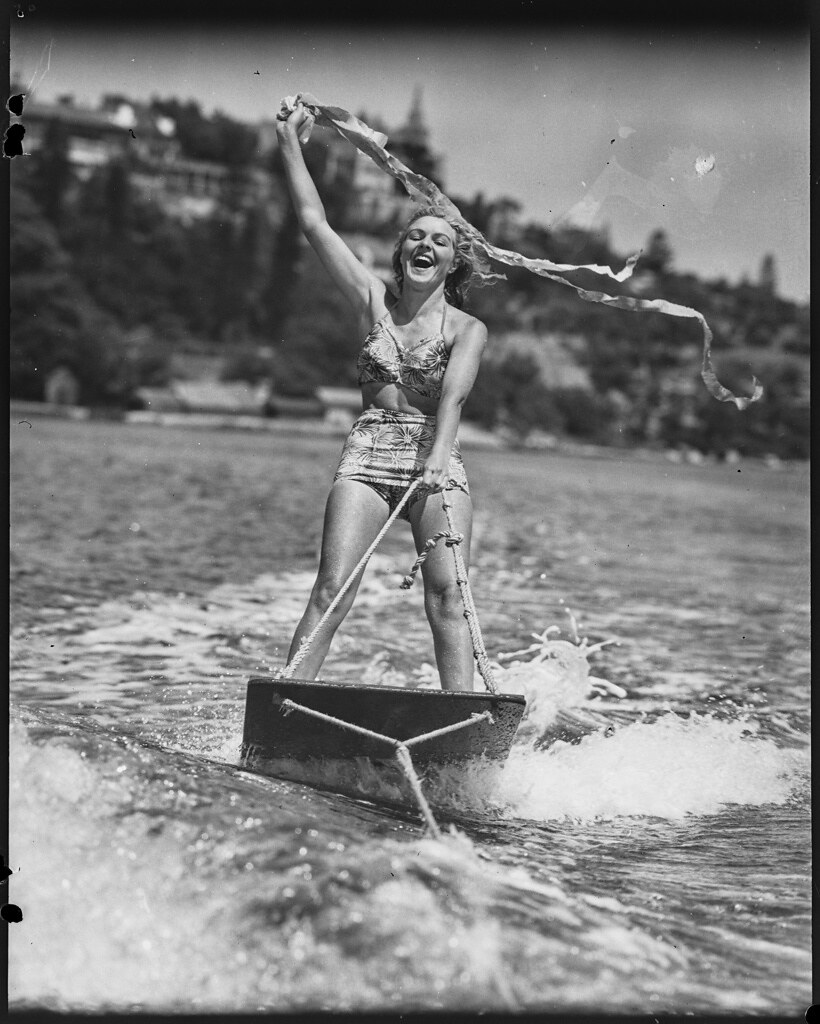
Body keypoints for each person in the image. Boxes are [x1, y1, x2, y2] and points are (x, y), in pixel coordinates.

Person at [277, 101, 489, 692]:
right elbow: (316, 226)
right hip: (368, 453)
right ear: (402, 253)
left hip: (435, 458)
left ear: (453, 261)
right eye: (415, 237)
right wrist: (291, 143)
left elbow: (453, 398)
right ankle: (288, 698)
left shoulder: (469, 330)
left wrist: (439, 458)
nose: (425, 245)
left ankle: (461, 715)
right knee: (333, 587)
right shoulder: (373, 302)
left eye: (440, 241)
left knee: (449, 595)